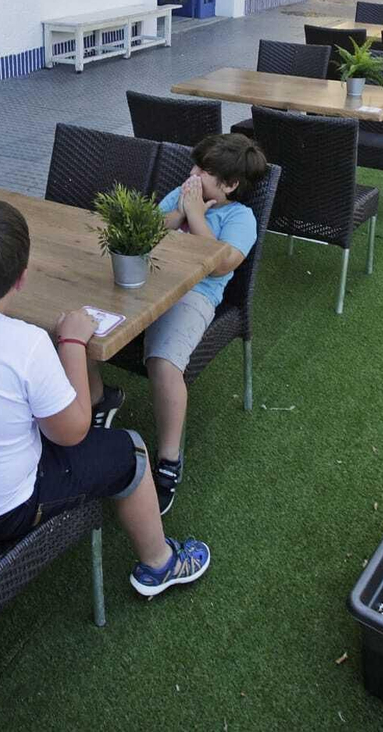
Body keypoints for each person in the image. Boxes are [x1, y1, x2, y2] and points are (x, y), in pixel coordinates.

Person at [0, 199, 211, 597]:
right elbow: (72, 433)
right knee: (129, 448)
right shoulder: (27, 343)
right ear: (22, 278)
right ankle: (161, 562)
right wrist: (72, 342)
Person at [107, 133, 268, 515]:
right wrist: (178, 213)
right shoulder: (181, 197)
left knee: (163, 363)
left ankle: (168, 460)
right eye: (195, 166)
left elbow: (223, 263)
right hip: (151, 281)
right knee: (82, 321)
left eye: (206, 172)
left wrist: (197, 215)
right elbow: (148, 231)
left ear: (229, 185)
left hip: (194, 296)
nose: (194, 174)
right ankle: (100, 400)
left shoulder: (239, 217)